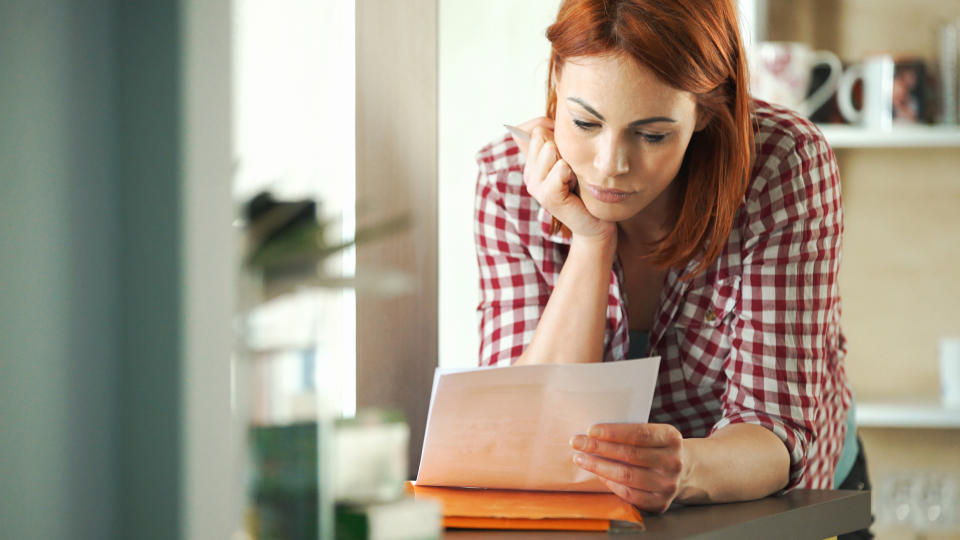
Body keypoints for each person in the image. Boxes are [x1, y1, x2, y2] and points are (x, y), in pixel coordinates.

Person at [473, 0, 872, 535]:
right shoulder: (507, 180)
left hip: (787, 504)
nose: (609, 165)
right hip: (604, 515)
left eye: (653, 134)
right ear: (556, 81)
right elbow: (525, 430)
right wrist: (592, 241)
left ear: (705, 110)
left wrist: (683, 469)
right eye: (584, 121)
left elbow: (773, 430)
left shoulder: (784, 163)